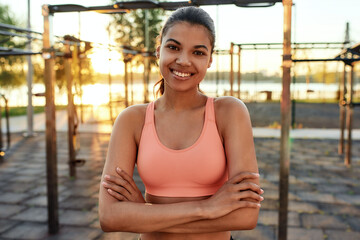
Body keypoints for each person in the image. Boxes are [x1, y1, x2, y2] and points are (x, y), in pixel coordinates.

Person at [99, 6, 263, 240]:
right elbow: (109, 217)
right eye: (173, 47)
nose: (183, 60)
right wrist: (206, 208)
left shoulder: (229, 112)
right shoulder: (131, 120)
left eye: (198, 52)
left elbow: (245, 216)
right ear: (159, 51)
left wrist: (144, 214)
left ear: (209, 61)